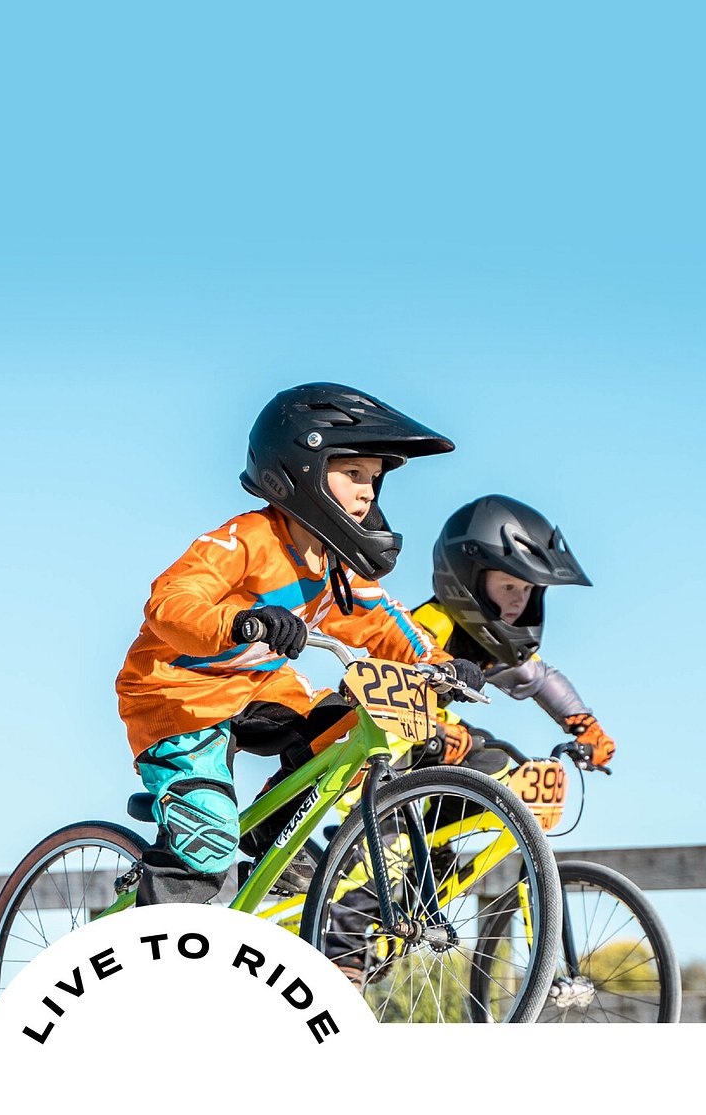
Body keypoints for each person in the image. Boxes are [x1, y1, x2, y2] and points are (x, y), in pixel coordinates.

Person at [114, 383, 482, 907]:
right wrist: (241, 621)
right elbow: (170, 603)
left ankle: (271, 835)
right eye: (353, 473)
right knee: (206, 842)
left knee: (346, 731)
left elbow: (383, 623)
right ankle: (155, 937)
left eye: (374, 478)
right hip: (177, 693)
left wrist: (440, 664)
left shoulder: (335, 565)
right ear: (302, 472)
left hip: (260, 686)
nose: (367, 492)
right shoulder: (247, 539)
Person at [411, 494, 616, 773]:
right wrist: (434, 727)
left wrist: (585, 725)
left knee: (492, 760)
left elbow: (538, 678)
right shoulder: (432, 624)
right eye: (508, 587)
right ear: (467, 579)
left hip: (427, 732)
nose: (520, 600)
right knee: (481, 756)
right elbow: (383, 685)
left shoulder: (485, 642)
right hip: (379, 739)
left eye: (528, 589)